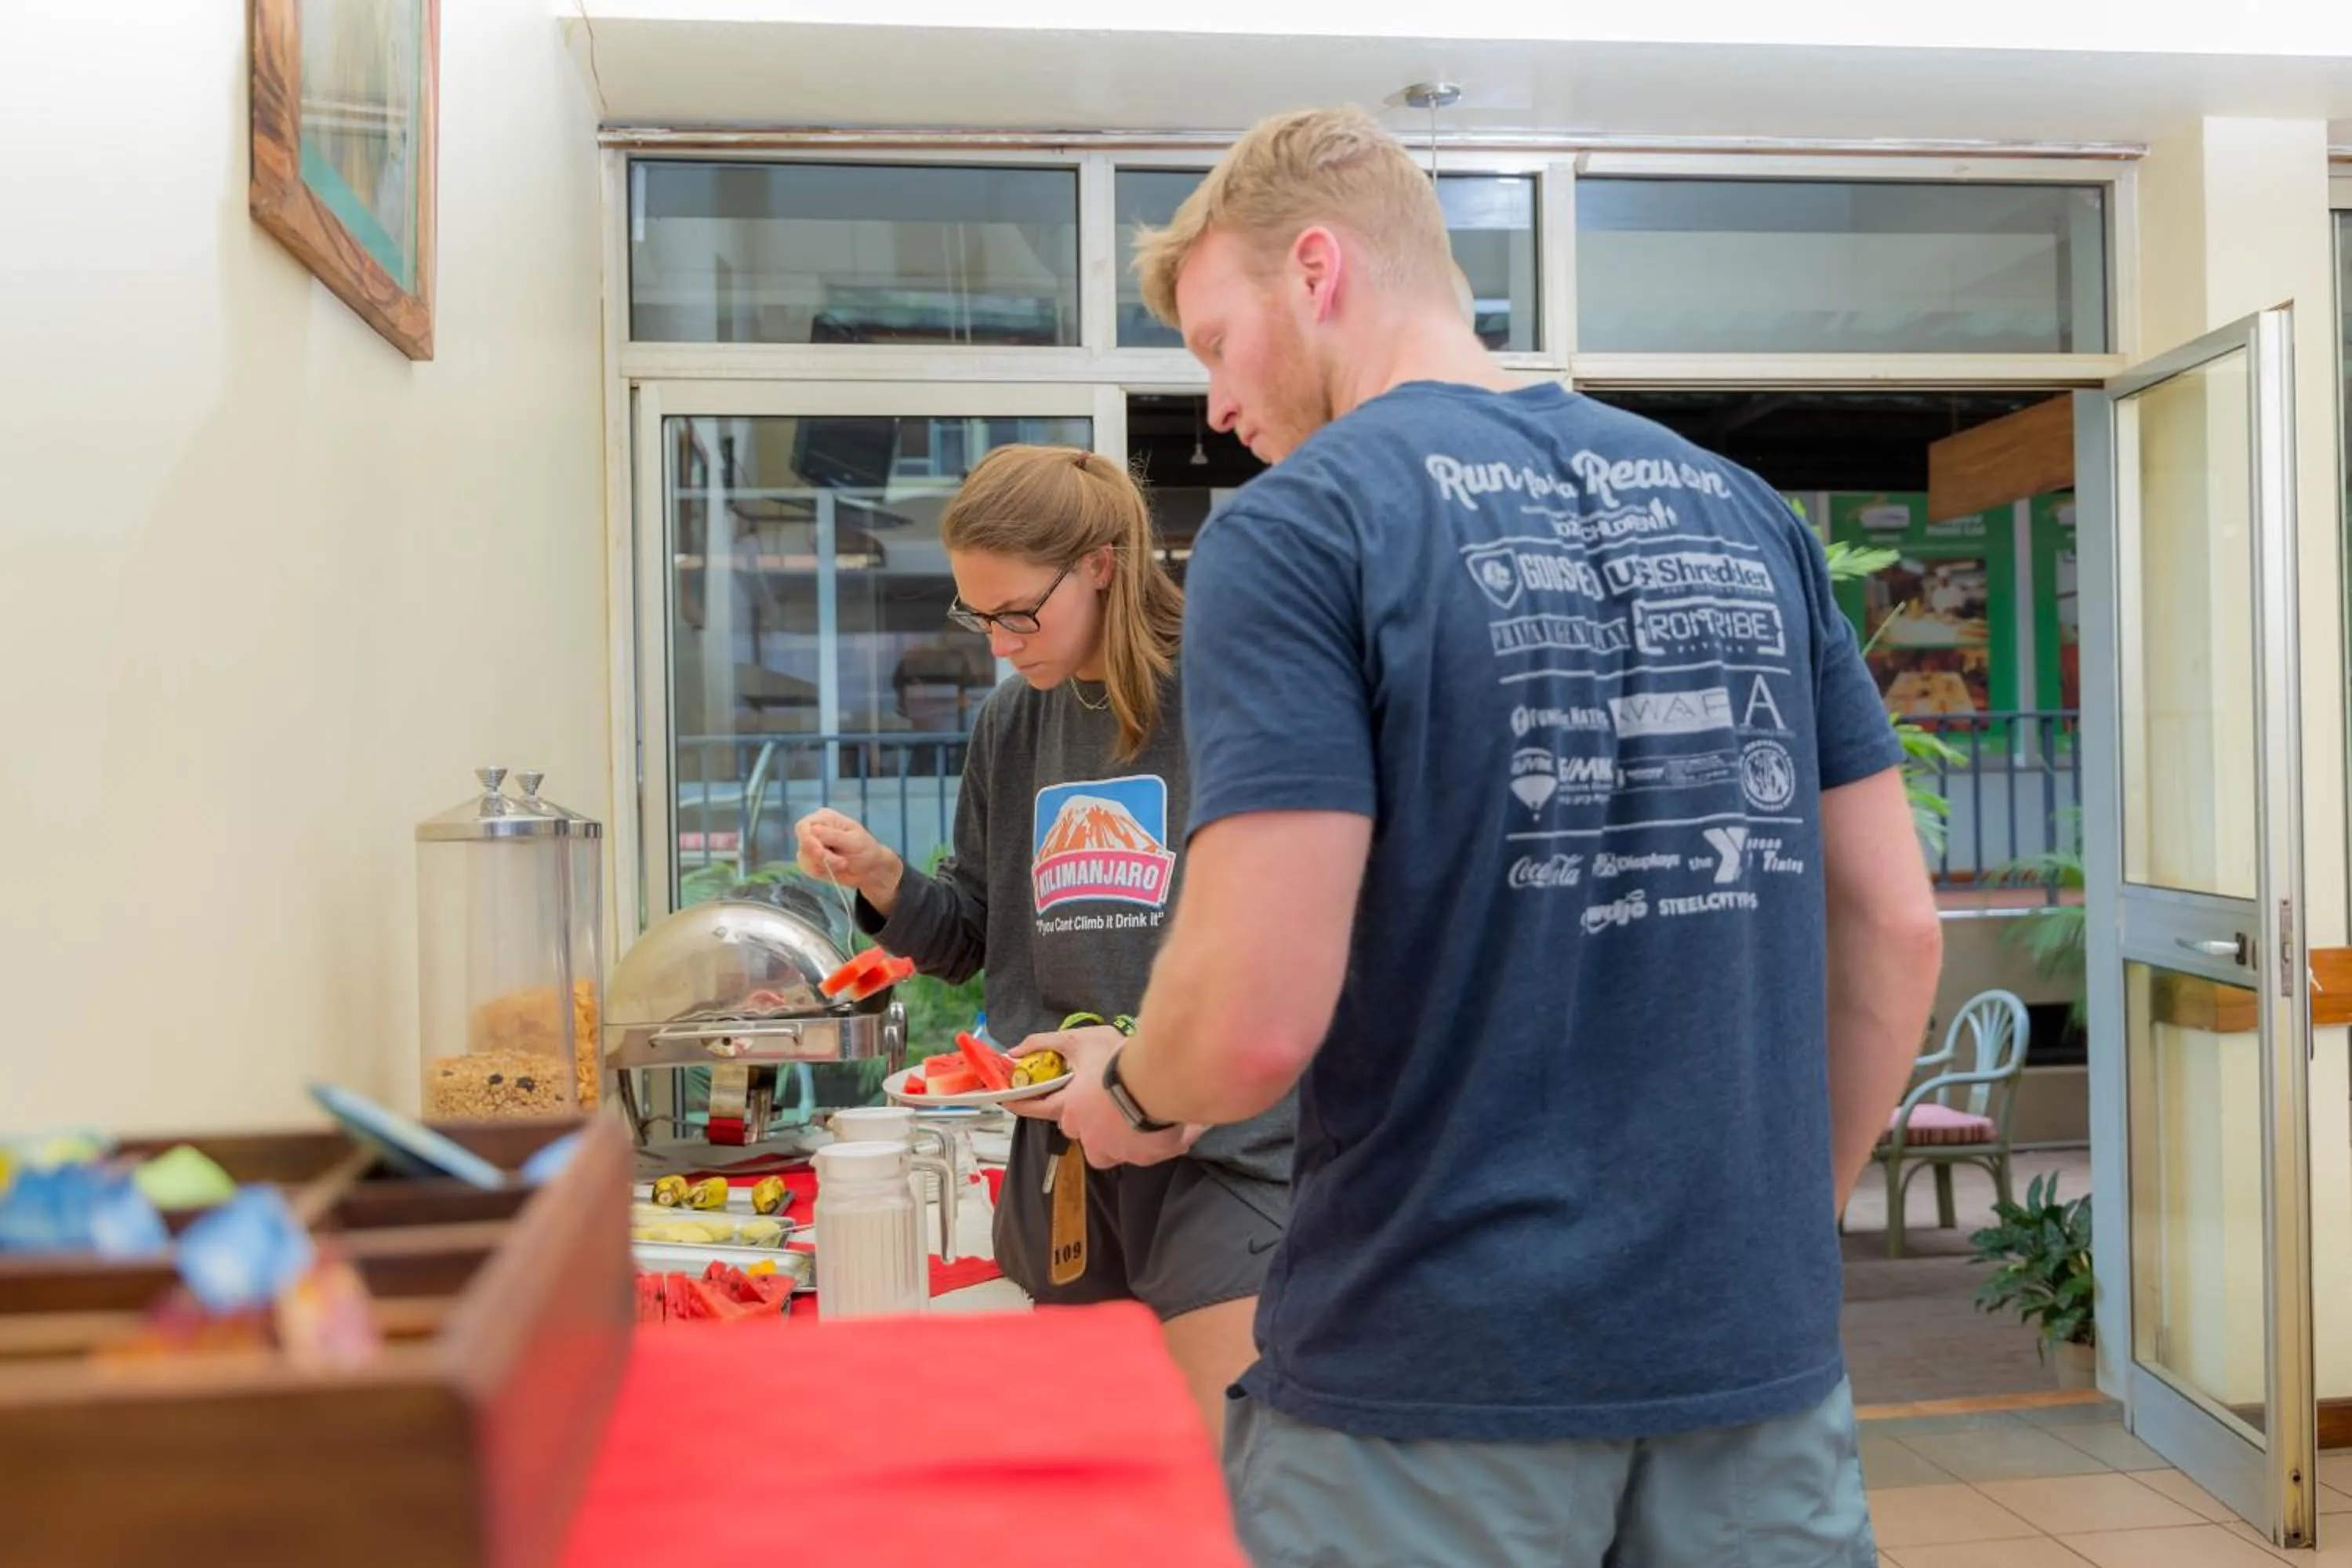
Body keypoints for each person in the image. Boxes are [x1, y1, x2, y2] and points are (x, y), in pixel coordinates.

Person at [1043, 108, 1944, 1565]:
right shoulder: (1743, 511)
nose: (1213, 401)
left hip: (1433, 1387)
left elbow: (1255, 1021)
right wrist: (1770, 1240)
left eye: (1216, 342)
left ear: (1316, 271)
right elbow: (1897, 932)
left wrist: (1134, 1093)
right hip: (1751, 1374)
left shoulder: (1304, 527)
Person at [794, 444, 1293, 1446]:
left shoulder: (1237, 691)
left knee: (1221, 1490)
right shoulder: (1012, 722)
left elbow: (1293, 936)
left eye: (1018, 613)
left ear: (1102, 564)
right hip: (1064, 1160)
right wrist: (886, 883)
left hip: (1220, 1158)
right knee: (1089, 1497)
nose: (998, 644)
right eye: (979, 616)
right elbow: (975, 933)